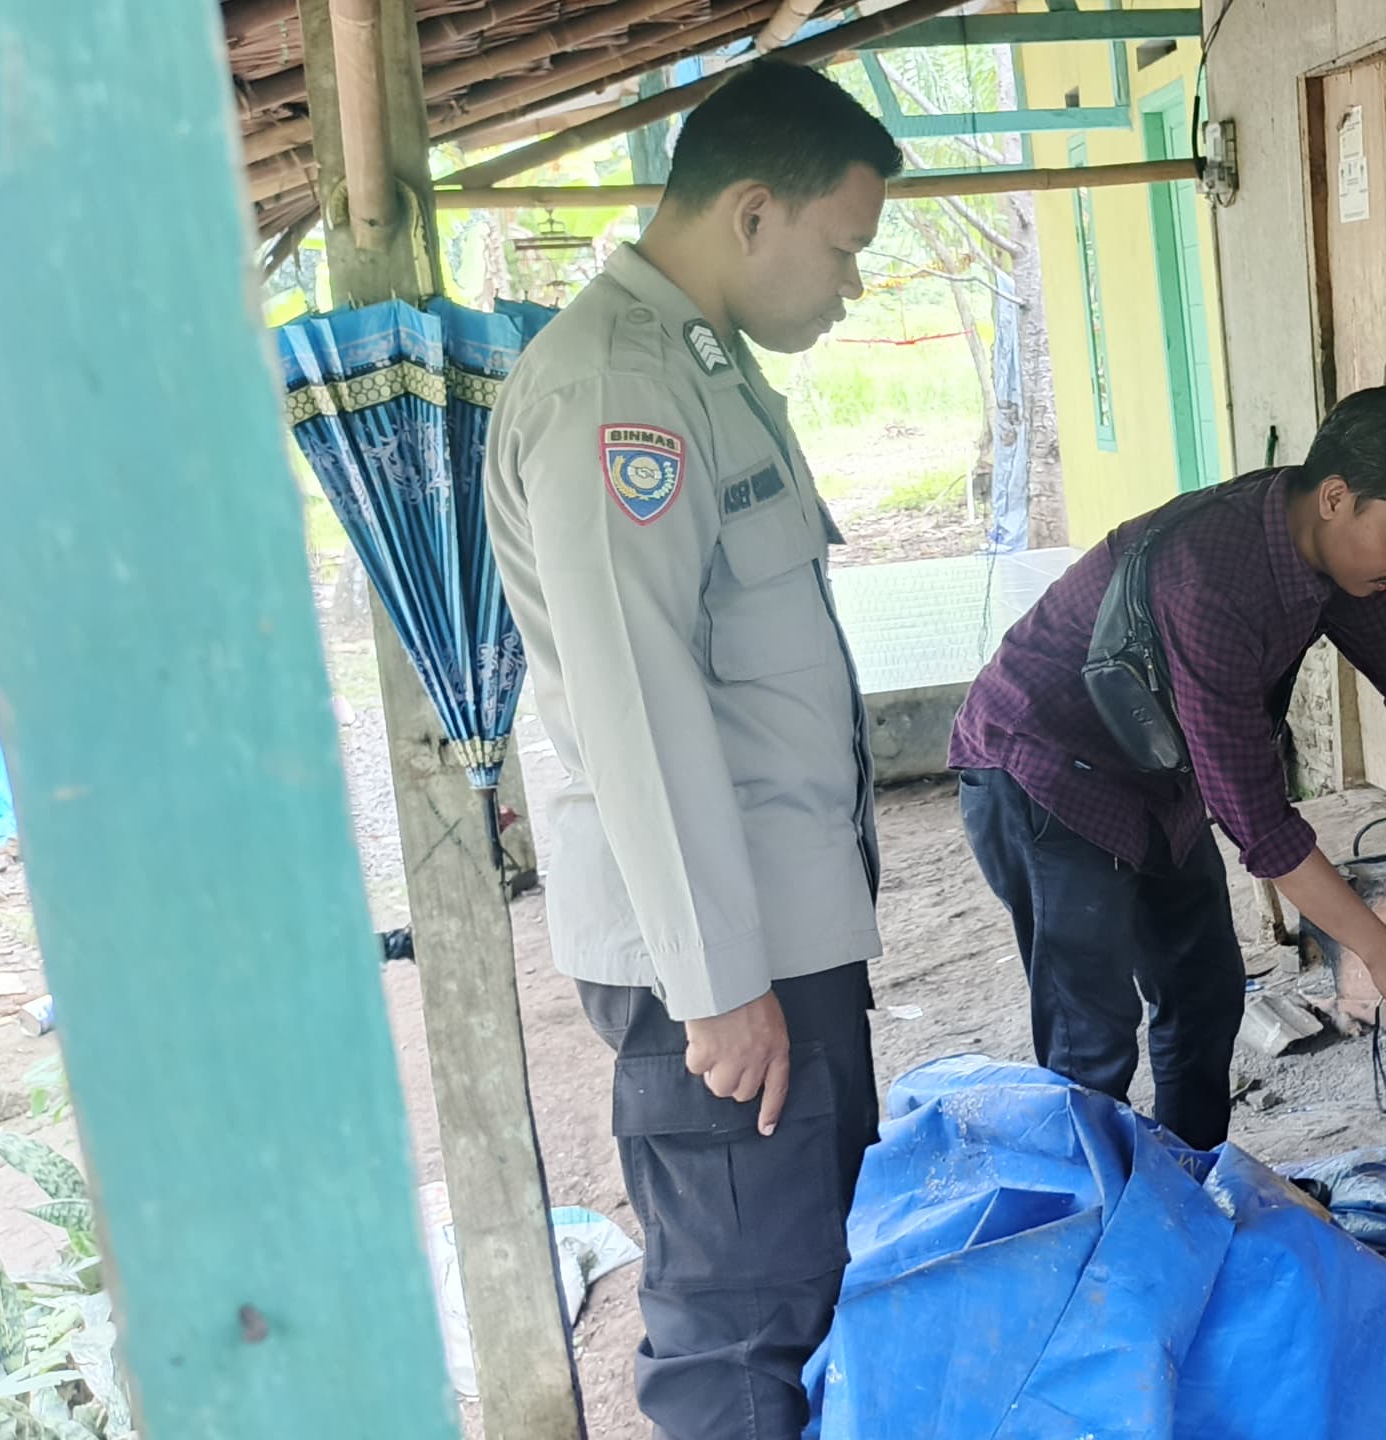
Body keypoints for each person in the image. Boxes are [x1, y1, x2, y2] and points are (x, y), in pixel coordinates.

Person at [480, 61, 897, 1440]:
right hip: (719, 969)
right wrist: (717, 987)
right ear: (755, 211)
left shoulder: (701, 364)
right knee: (744, 1328)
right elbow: (638, 701)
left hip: (771, 939)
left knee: (808, 1282)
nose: (849, 287)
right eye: (842, 248)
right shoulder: (620, 387)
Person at [951, 387, 1386, 1151]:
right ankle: (1091, 1215)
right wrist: (1383, 952)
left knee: (1204, 991)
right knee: (1091, 1037)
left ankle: (1189, 1184)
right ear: (1337, 498)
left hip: (1154, 777)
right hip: (1045, 772)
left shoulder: (1319, 544)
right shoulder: (1210, 582)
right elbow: (1258, 821)